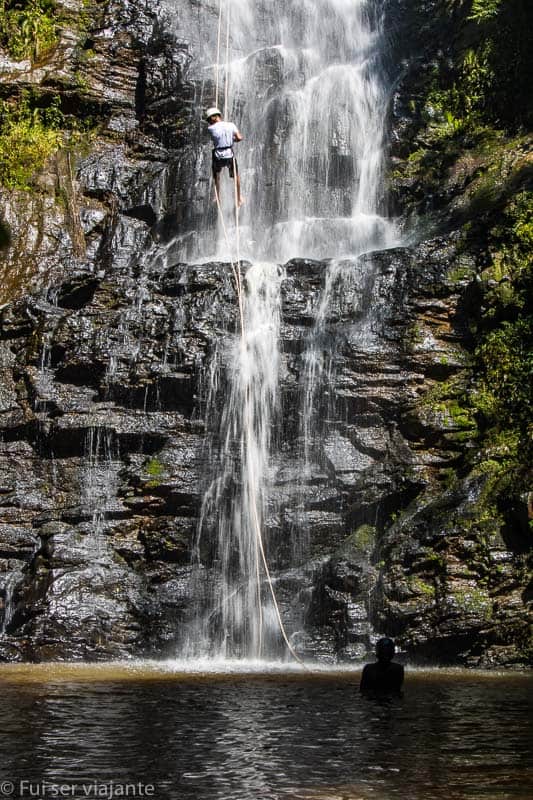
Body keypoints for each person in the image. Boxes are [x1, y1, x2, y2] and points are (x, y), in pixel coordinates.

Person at [206, 107, 244, 207]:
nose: (209, 123)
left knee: (216, 176)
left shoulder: (210, 129)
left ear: (213, 117)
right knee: (236, 177)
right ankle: (239, 198)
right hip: (229, 155)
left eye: (209, 120)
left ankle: (217, 196)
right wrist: (232, 140)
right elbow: (239, 138)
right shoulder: (231, 125)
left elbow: (216, 139)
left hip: (218, 155)